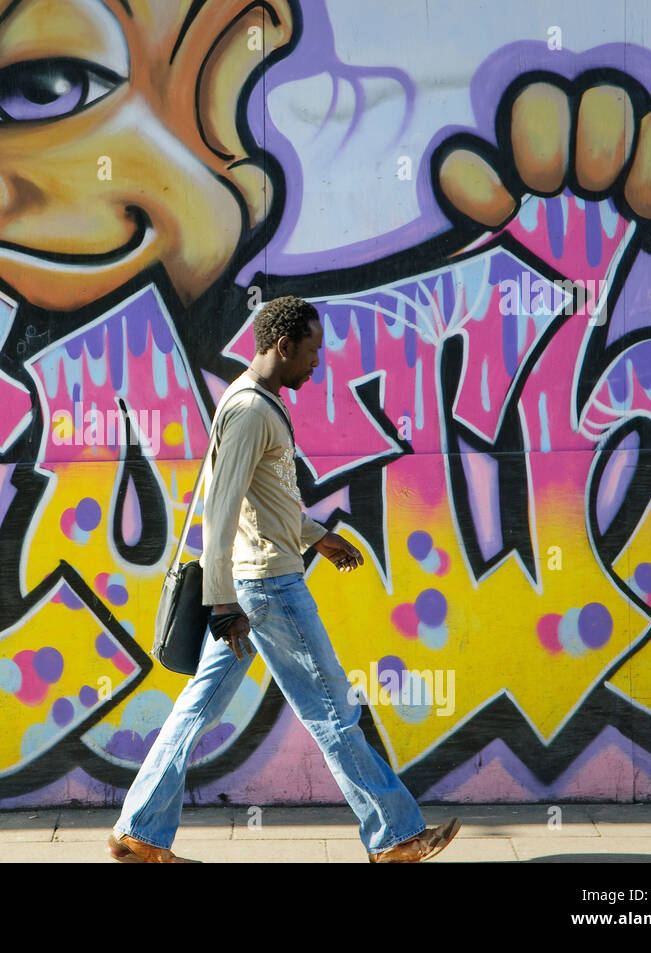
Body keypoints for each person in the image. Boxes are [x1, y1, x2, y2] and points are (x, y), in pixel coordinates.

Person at [108, 295, 460, 863]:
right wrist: (222, 603)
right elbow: (221, 512)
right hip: (268, 587)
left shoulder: (258, 404)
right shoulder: (250, 409)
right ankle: (396, 836)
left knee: (197, 709)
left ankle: (138, 835)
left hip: (256, 582)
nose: (318, 362)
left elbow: (262, 501)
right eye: (313, 350)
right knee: (333, 710)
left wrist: (315, 533)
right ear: (283, 344)